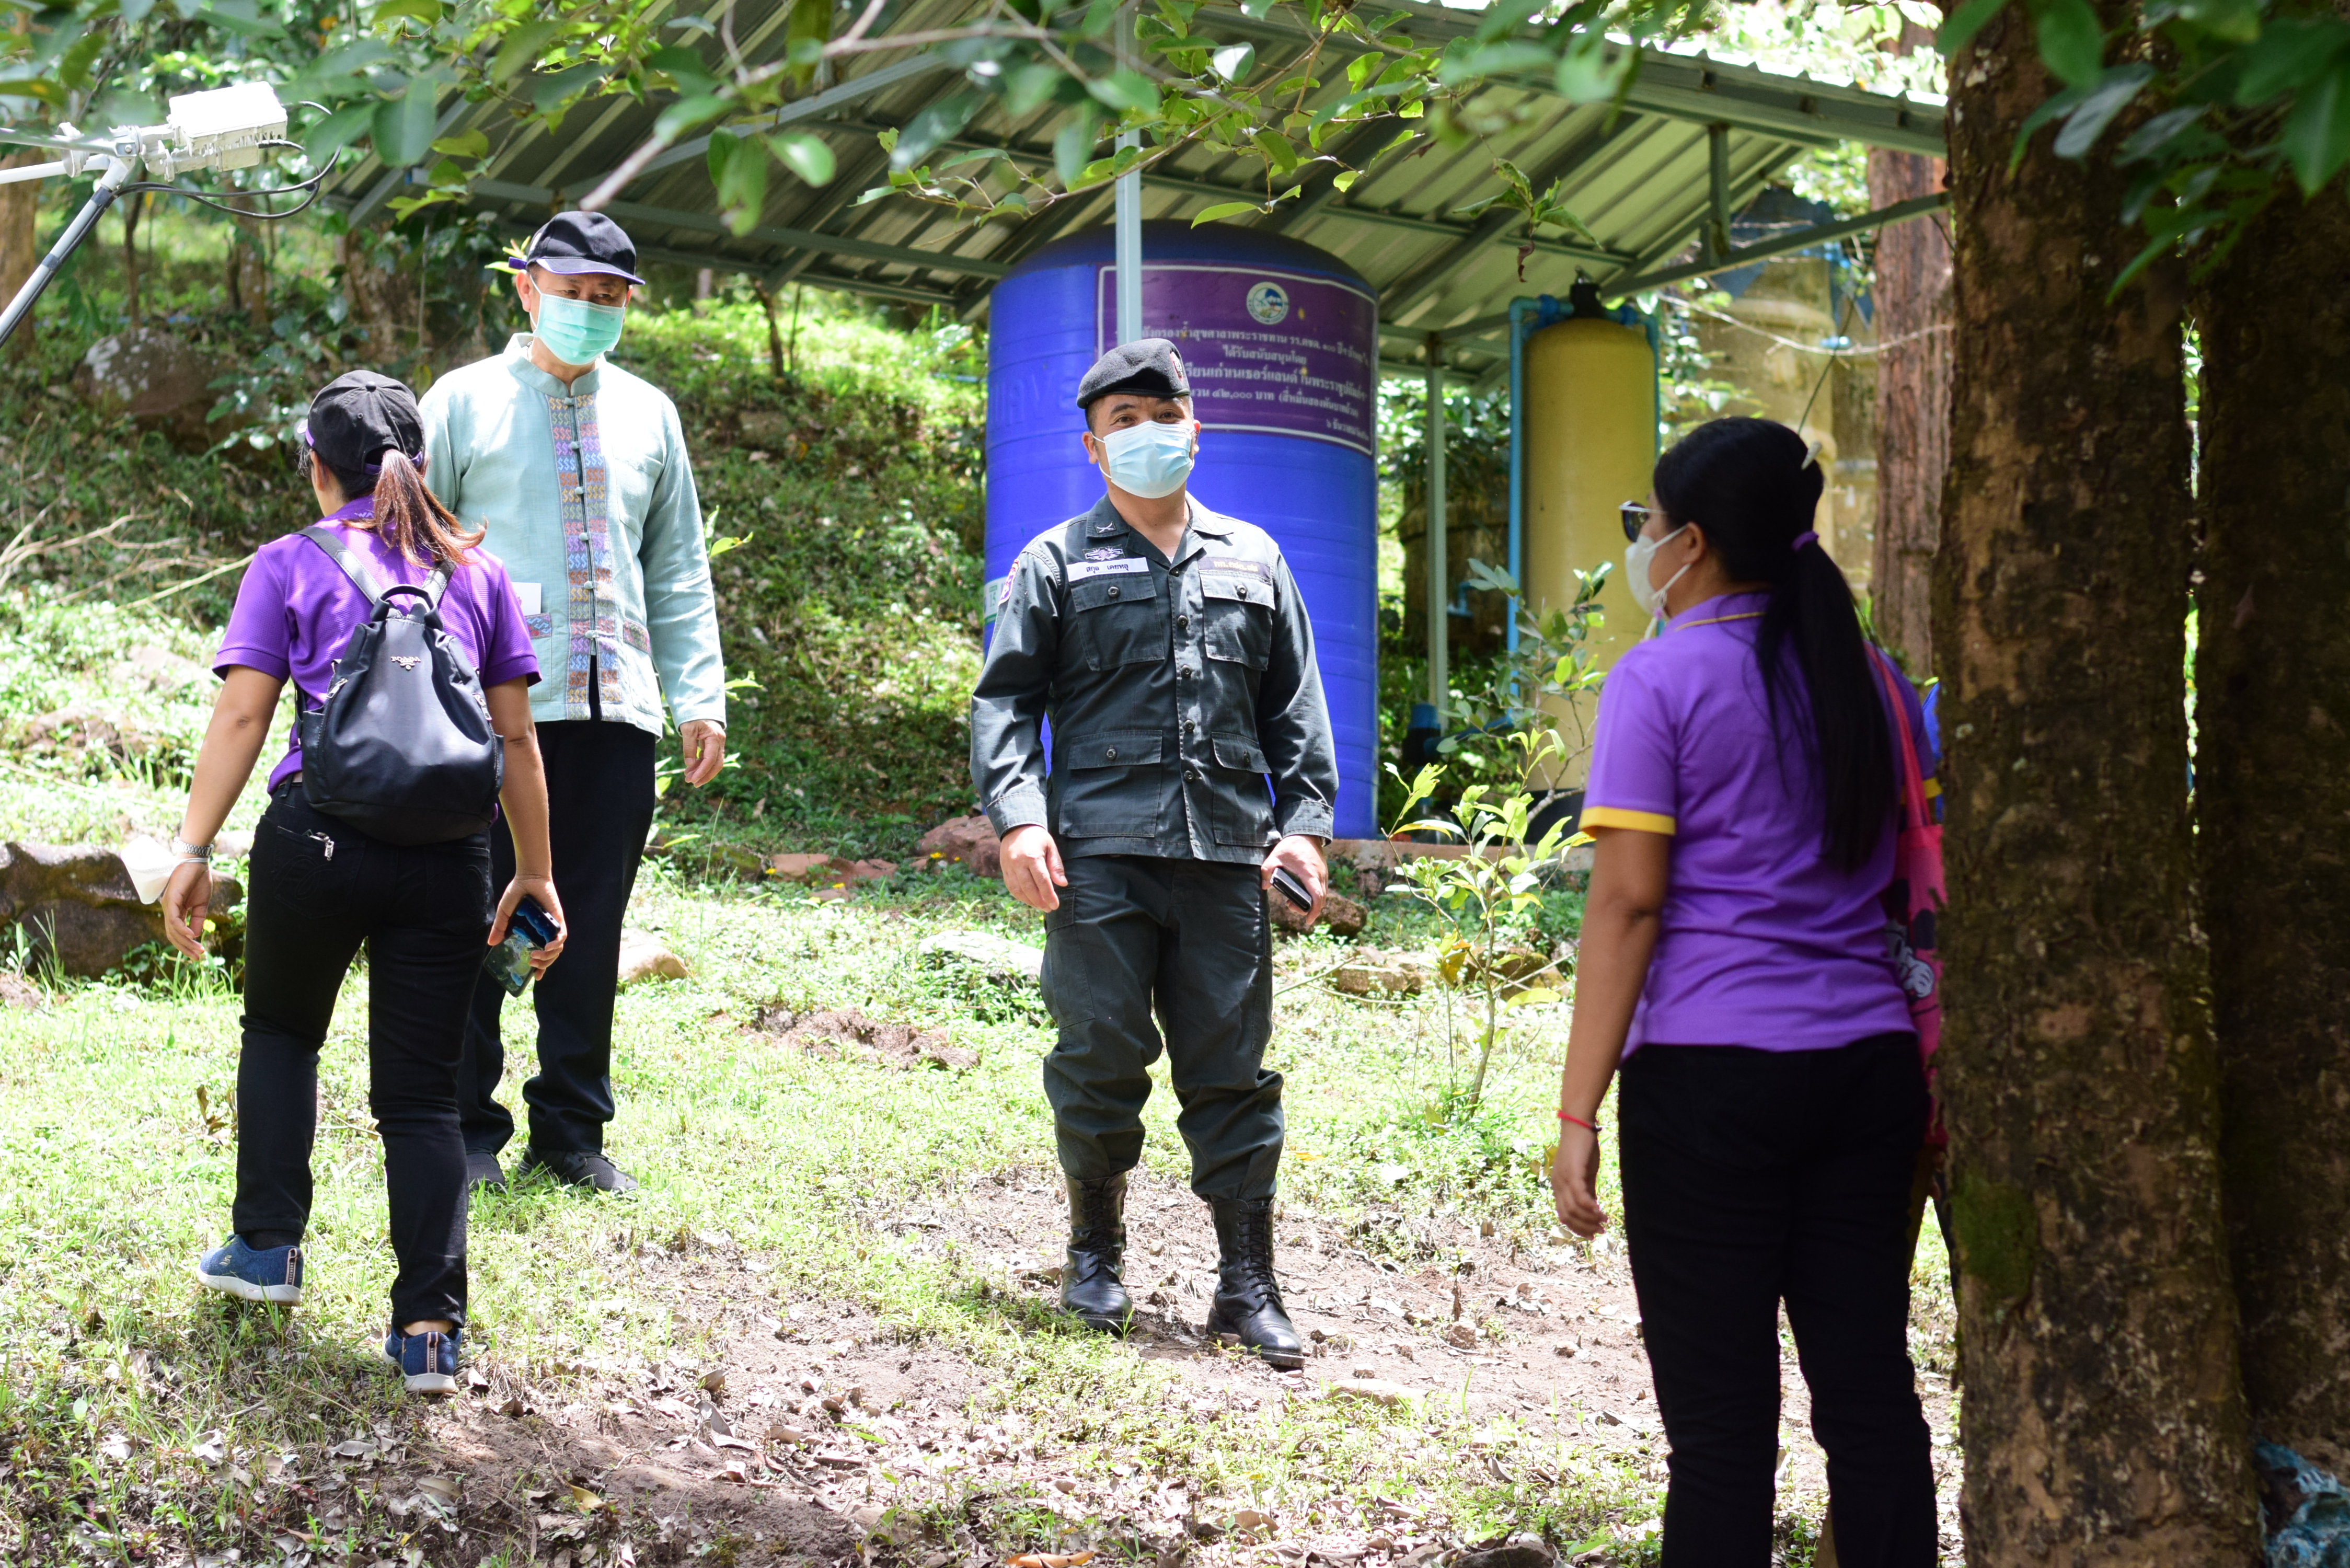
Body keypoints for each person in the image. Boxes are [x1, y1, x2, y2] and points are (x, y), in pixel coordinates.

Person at [1549, 417, 1937, 1565]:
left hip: (1707, 1085)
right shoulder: (1867, 677)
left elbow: (1627, 905)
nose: (1643, 544)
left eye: (1650, 524)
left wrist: (1576, 1112)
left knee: (1721, 1435)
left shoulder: (1659, 676)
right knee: (1870, 1400)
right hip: (1867, 1073)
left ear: (1695, 542)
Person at [162, 370, 565, 1393]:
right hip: (451, 858)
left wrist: (194, 849)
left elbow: (244, 715)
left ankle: (267, 1250)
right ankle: (429, 1327)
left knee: (282, 1034)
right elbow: (517, 739)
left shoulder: (287, 563)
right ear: (421, 468)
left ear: (317, 467)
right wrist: (535, 872)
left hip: (317, 844)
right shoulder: (480, 575)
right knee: (423, 1097)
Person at [970, 338, 1339, 1368]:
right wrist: (1019, 820)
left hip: (1227, 857)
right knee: (1098, 1052)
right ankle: (1094, 1259)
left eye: (1162, 415)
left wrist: (1306, 827)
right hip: (1097, 858)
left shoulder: (1255, 558)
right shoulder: (1055, 563)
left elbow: (1296, 709)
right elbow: (1005, 703)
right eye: (1122, 423)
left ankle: (1247, 1285)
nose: (1146, 435)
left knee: (1233, 1069)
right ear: (1094, 449)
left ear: (1195, 428)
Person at [420, 212, 728, 1196]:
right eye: (573, 293)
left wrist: (700, 696)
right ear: (527, 289)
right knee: (477, 909)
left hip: (614, 709)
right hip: (486, 708)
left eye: (608, 298)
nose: (590, 311)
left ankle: (571, 1132)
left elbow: (677, 565)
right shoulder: (461, 402)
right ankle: (467, 1130)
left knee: (589, 922)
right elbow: (416, 550)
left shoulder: (649, 415)